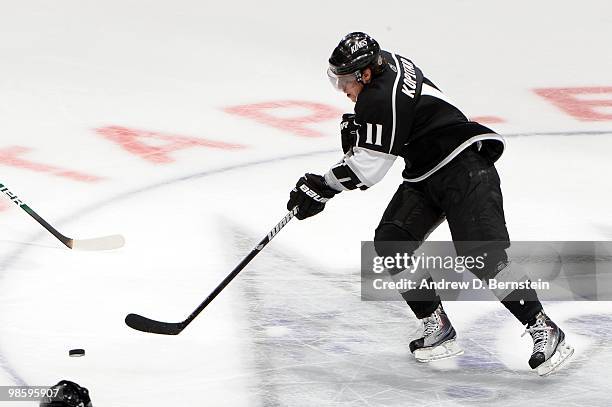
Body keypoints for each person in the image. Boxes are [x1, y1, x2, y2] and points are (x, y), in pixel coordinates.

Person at [286, 32, 574, 376]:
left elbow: (368, 170)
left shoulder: (378, 99)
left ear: (365, 74)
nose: (343, 90)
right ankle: (437, 327)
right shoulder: (388, 63)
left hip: (465, 170)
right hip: (426, 173)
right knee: (392, 243)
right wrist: (365, 132)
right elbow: (403, 120)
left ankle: (543, 327)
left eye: (346, 82)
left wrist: (321, 186)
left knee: (482, 256)